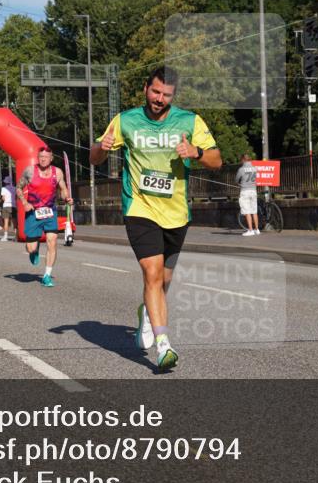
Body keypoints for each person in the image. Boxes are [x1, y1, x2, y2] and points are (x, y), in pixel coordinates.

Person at [89, 66, 221, 370]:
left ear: (173, 97)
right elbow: (94, 157)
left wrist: (196, 151)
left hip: (176, 212)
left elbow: (217, 159)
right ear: (145, 88)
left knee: (164, 279)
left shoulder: (189, 121)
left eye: (166, 95)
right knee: (151, 273)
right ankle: (164, 346)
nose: (159, 99)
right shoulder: (125, 121)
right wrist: (102, 148)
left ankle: (148, 313)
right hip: (139, 208)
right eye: (155, 91)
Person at [17, 147, 72, 287]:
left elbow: (63, 189)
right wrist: (25, 202)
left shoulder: (57, 172)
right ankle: (34, 251)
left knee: (52, 241)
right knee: (31, 248)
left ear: (51, 158)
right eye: (41, 156)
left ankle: (47, 275)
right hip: (33, 212)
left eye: (46, 157)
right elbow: (18, 188)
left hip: (49, 212)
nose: (43, 159)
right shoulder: (30, 171)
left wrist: (67, 198)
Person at [236, 153, 260, 236]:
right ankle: (257, 229)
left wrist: (240, 183)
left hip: (245, 191)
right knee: (254, 211)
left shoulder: (241, 169)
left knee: (247, 211)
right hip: (253, 191)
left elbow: (237, 180)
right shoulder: (254, 168)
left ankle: (250, 230)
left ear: (243, 160)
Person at [0, 176, 16, 241]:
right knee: (15, 222)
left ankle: (5, 236)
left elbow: (3, 198)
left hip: (6, 205)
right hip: (14, 205)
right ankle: (16, 236)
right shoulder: (15, 188)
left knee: (6, 222)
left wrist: (2, 199)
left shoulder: (3, 189)